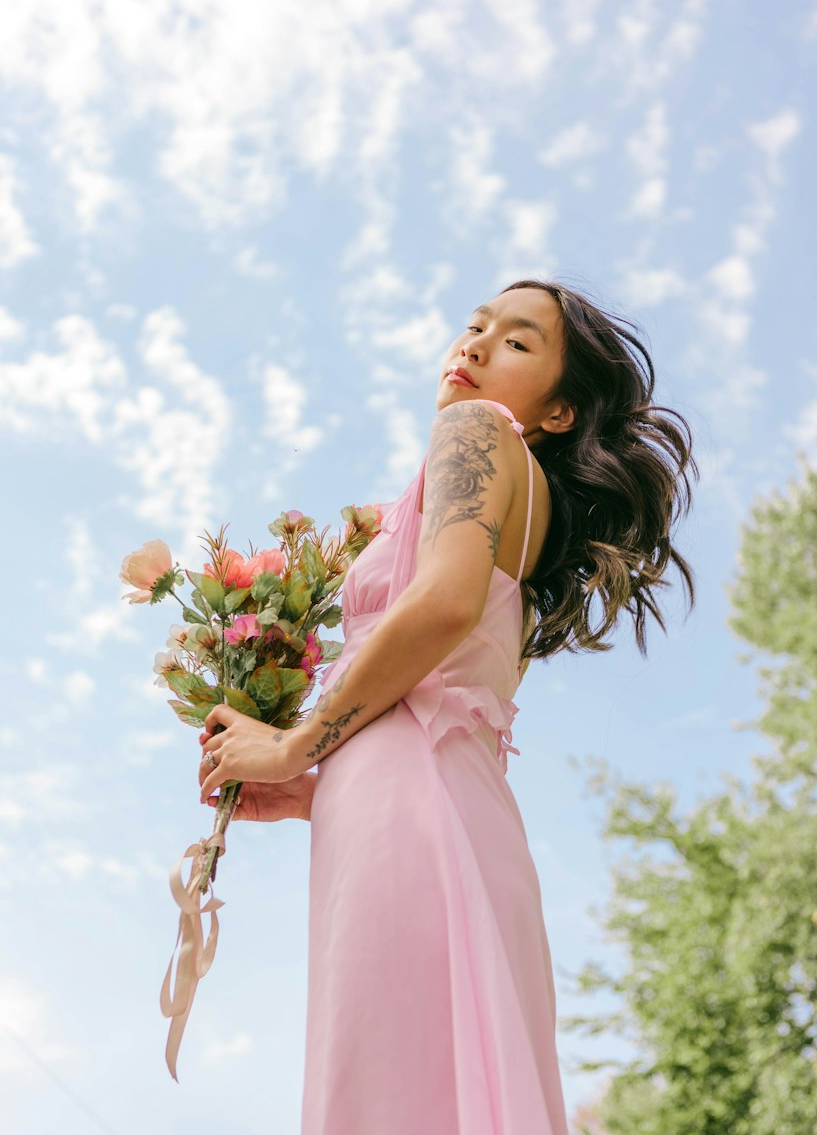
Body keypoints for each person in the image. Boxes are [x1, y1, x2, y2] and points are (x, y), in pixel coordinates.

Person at [198, 280, 698, 1134]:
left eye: (515, 341)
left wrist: (295, 749)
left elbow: (443, 608)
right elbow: (452, 700)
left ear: (562, 412)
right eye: (473, 326)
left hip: (409, 820)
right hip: (454, 815)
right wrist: (323, 789)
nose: (472, 345)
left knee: (394, 1090)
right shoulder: (529, 524)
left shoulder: (473, 433)